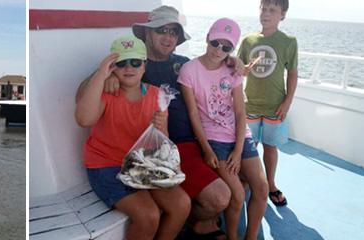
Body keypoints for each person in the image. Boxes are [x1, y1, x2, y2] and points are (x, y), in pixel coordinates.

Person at [75, 6, 246, 239]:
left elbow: (211, 65)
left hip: (177, 147)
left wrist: (231, 59)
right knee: (169, 209)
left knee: (240, 182)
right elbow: (83, 107)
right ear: (146, 33)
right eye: (161, 30)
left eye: (174, 32)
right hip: (147, 155)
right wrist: (104, 74)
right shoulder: (122, 74)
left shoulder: (183, 65)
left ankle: (197, 224)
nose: (168, 37)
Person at [76, 35, 190, 240]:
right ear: (113, 67)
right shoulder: (106, 93)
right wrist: (101, 75)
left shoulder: (158, 95)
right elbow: (84, 119)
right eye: (121, 63)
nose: (129, 68)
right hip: (107, 166)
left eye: (136, 62)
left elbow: (161, 143)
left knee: (182, 204)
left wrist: (163, 129)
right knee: (149, 215)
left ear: (145, 66)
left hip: (142, 163)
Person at [178, 18, 269, 240]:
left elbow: (240, 113)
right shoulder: (189, 70)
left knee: (262, 188)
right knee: (237, 195)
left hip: (240, 137)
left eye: (226, 47)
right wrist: (207, 150)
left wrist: (238, 151)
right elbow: (193, 115)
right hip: (214, 140)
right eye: (216, 43)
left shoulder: (233, 70)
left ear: (232, 49)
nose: (219, 50)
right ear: (208, 37)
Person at [238, 0, 297, 207]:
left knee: (270, 147)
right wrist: (242, 69)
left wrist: (287, 102)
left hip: (275, 107)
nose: (267, 13)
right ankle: (248, 181)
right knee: (249, 148)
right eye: (264, 9)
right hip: (250, 106)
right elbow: (237, 69)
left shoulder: (289, 41)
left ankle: (270, 184)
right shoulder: (247, 41)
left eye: (273, 10)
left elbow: (292, 73)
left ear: (283, 14)